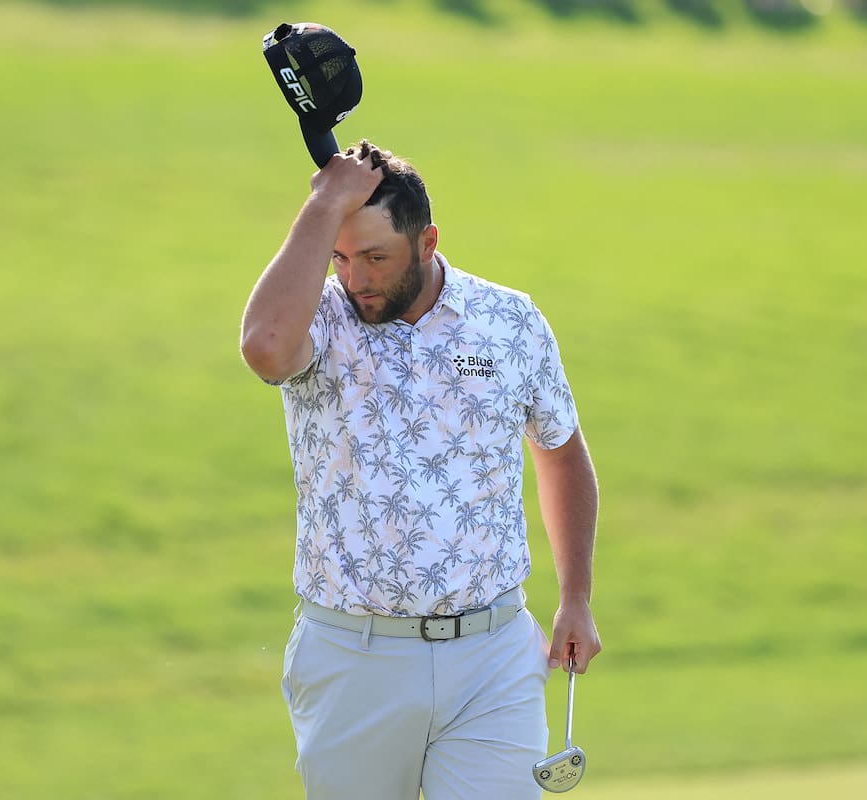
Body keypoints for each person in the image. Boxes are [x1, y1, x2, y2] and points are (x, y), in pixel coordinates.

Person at [239, 140, 602, 800]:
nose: (356, 278)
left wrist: (575, 596)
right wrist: (325, 203)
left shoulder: (509, 321)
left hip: (492, 657)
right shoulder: (319, 320)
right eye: (341, 257)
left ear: (428, 242)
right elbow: (264, 347)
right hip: (355, 660)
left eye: (376, 257)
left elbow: (560, 451)